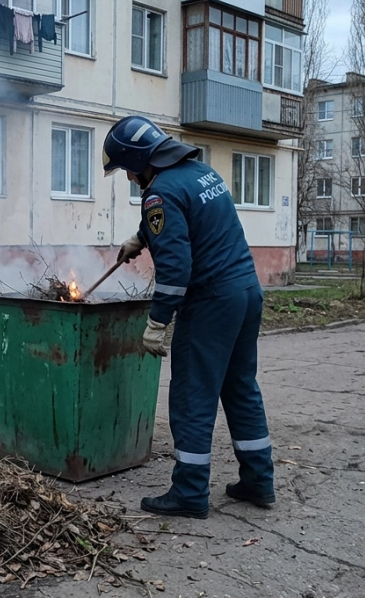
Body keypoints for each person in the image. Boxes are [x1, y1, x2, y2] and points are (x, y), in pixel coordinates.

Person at [102, 115, 275, 519]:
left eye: (128, 167)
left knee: (192, 394)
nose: (129, 177)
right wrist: (143, 237)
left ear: (143, 159)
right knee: (240, 388)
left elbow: (177, 269)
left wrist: (158, 321)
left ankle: (191, 491)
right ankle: (258, 480)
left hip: (212, 300)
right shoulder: (200, 172)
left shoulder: (158, 194)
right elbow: (192, 218)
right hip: (246, 292)